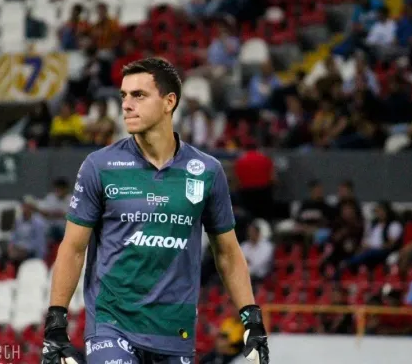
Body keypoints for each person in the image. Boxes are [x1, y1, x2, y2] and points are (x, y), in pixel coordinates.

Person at [41, 58, 270, 364]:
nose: (126, 105)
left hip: (174, 333)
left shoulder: (207, 172)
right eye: (124, 95)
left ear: (168, 102)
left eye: (139, 95)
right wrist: (56, 322)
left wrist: (251, 319)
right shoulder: (99, 166)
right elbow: (73, 247)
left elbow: (227, 251)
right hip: (112, 326)